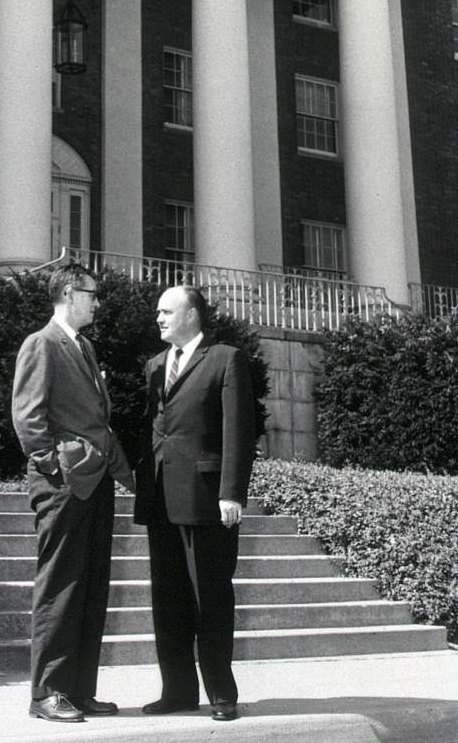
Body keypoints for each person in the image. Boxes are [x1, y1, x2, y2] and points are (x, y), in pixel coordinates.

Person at [11, 263, 135, 724]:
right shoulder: (41, 343)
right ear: (68, 292)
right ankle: (46, 693)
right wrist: (55, 465)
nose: (97, 302)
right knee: (61, 587)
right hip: (64, 486)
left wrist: (131, 480)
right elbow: (28, 417)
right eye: (91, 294)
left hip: (95, 483)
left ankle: (78, 691)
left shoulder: (84, 346)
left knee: (91, 588)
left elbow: (99, 427)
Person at [134, 285, 256, 722]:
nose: (159, 318)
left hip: (207, 500)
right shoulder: (154, 366)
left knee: (211, 598)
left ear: (191, 315)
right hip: (161, 498)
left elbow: (237, 431)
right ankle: (178, 691)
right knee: (168, 600)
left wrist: (231, 492)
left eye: (167, 311)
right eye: (158, 312)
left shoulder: (225, 359)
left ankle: (222, 694)